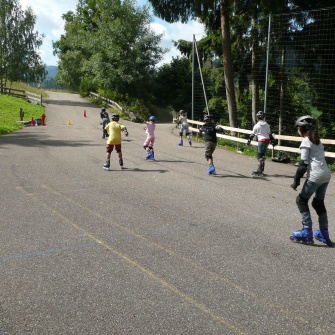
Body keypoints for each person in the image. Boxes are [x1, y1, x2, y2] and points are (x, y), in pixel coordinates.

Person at [289, 115, 335, 247]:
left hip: (315, 176)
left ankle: (307, 232)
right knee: (318, 203)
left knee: (301, 200)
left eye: (298, 128)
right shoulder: (317, 140)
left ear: (301, 129)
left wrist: (296, 180)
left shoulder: (305, 141)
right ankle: (324, 233)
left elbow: (303, 163)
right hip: (326, 175)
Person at [247, 111, 275, 175]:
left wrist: (249, 141)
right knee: (263, 154)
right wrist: (272, 141)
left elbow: (252, 134)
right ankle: (262, 169)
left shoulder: (257, 125)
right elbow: (270, 134)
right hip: (267, 140)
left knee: (260, 155)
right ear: (263, 118)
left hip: (261, 141)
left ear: (257, 118)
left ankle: (259, 169)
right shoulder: (267, 125)